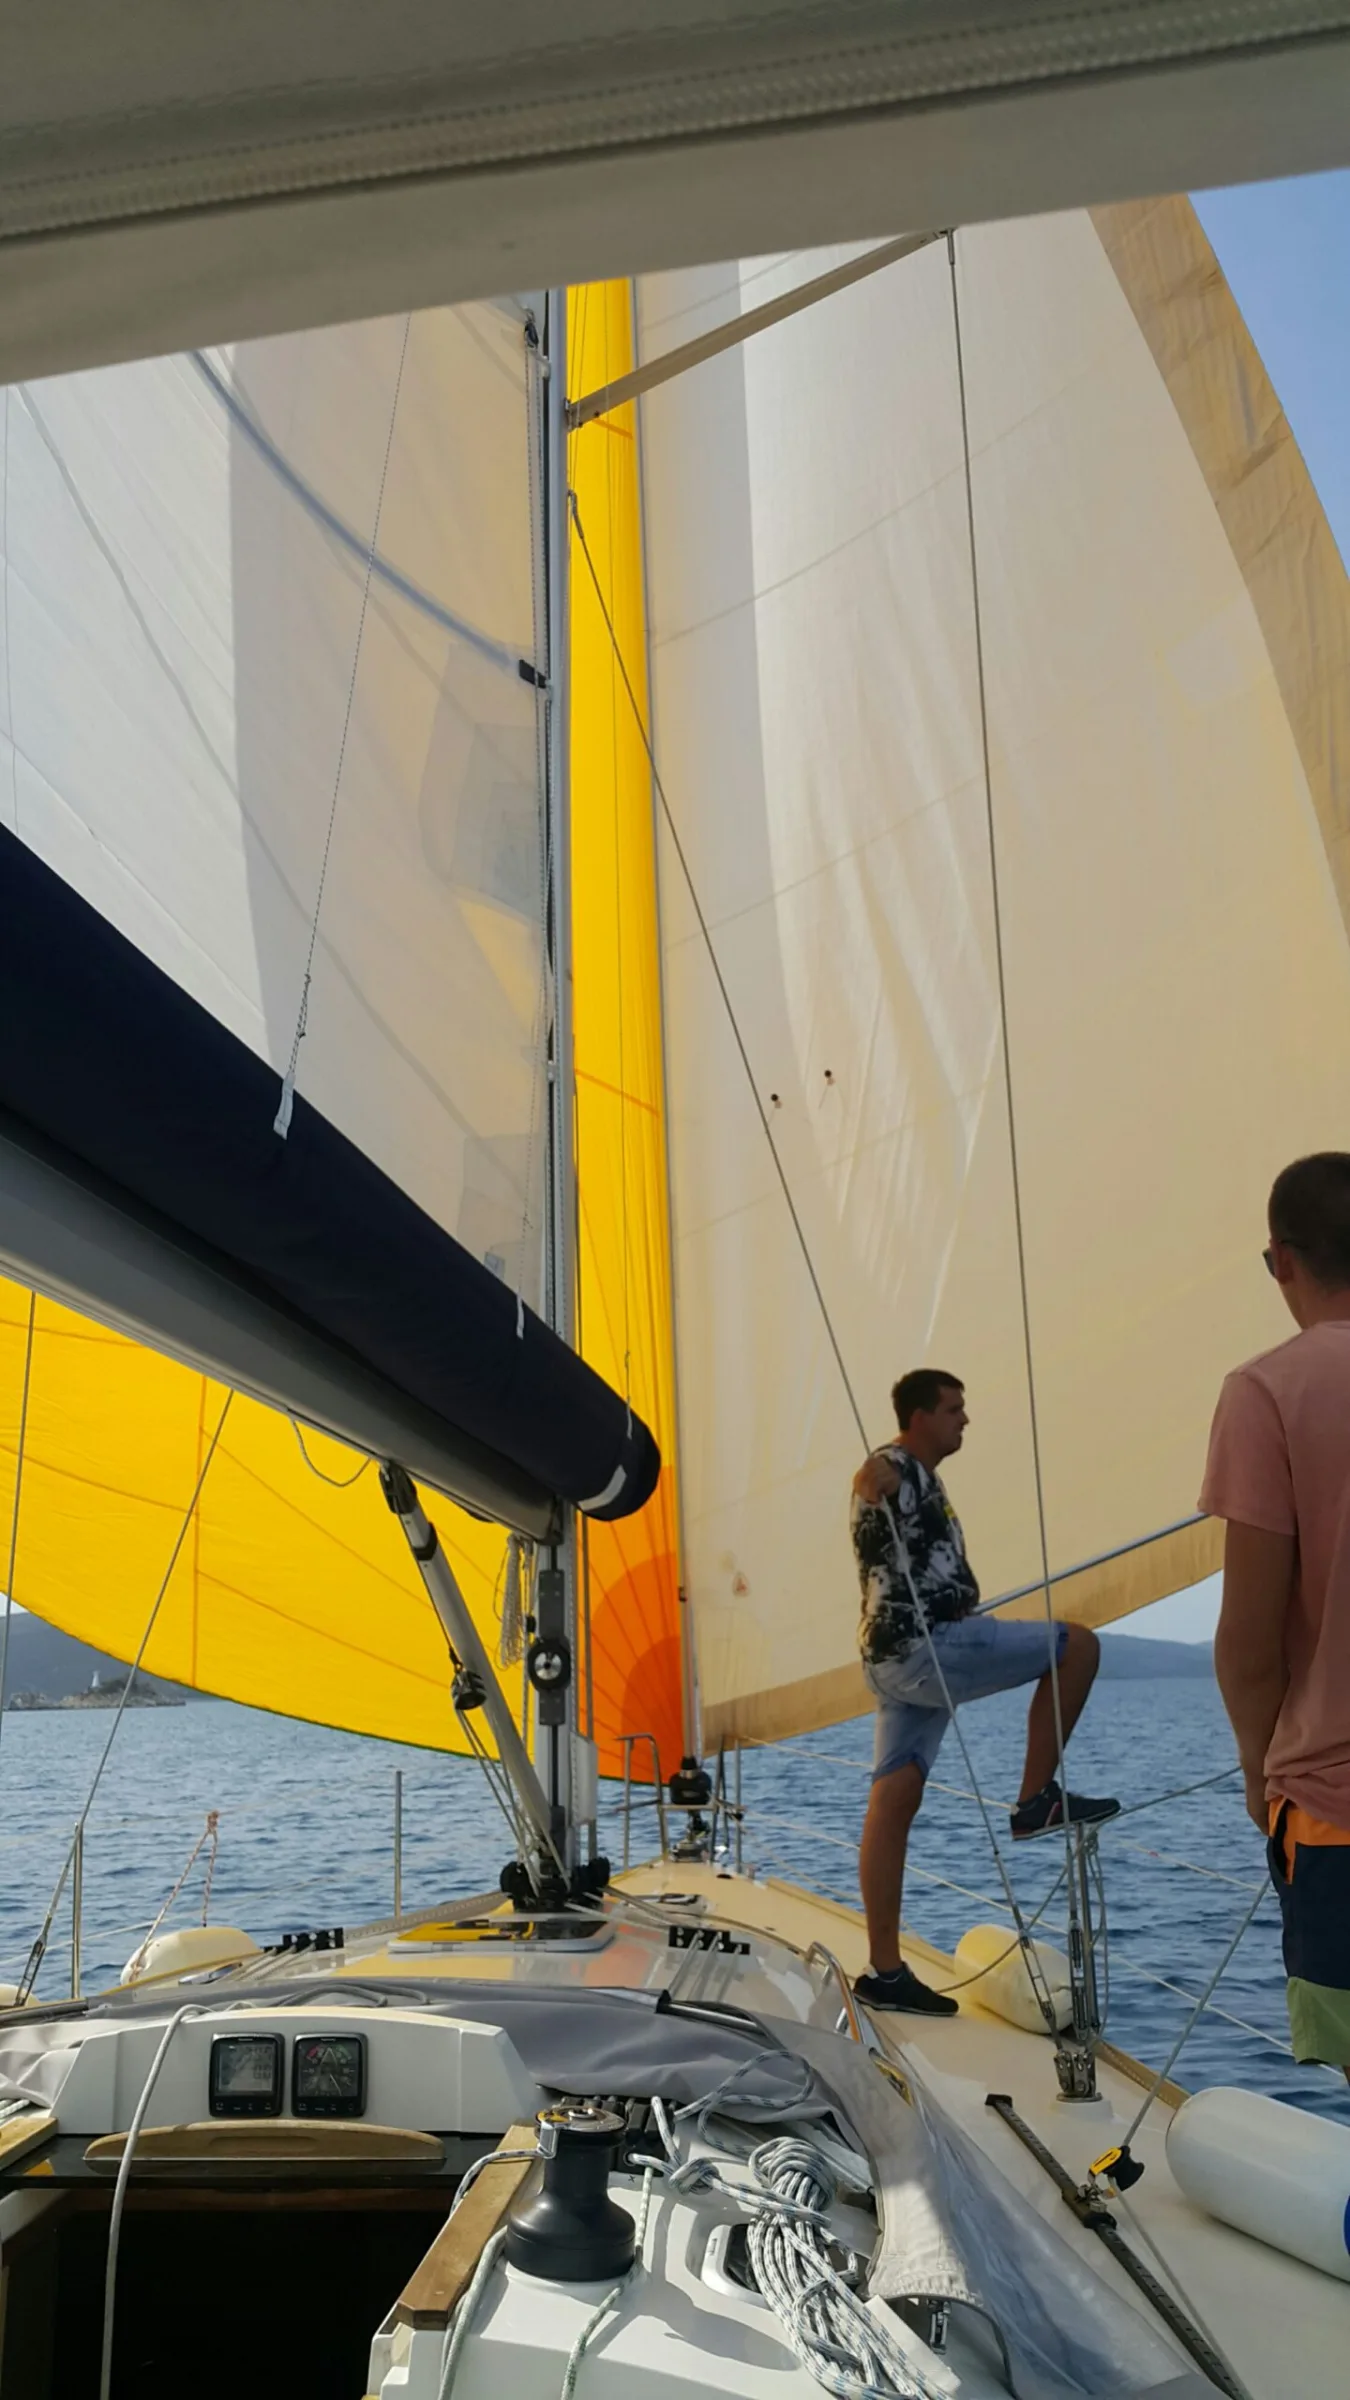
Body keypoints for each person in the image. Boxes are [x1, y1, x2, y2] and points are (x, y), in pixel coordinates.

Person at [851, 1368, 1119, 2014]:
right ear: (919, 1417)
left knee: (894, 1799)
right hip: (928, 1647)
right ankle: (1034, 1800)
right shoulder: (897, 1466)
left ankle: (885, 1972)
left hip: (891, 1656)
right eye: (954, 1409)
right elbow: (871, 1482)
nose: (964, 1419)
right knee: (1078, 1647)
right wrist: (871, 1479)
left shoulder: (924, 1476)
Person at [1202, 1153, 1350, 2079]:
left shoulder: (1266, 1392)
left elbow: (1249, 1645)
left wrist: (1262, 1777)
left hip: (1336, 1815)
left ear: (1282, 1260)